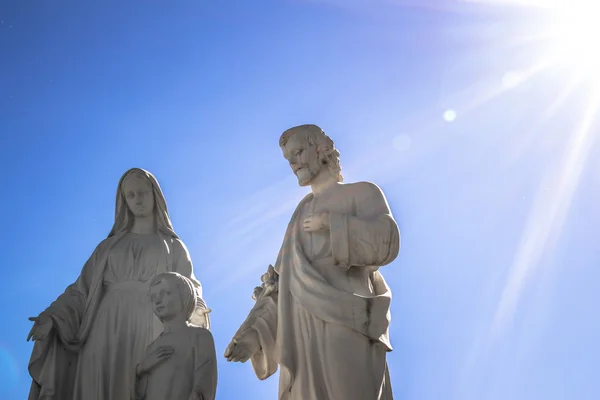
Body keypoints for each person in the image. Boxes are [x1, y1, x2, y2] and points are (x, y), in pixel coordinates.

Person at [224, 125, 400, 399]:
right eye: (288, 159)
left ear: (321, 148)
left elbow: (386, 242)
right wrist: (253, 335)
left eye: (298, 152)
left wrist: (333, 224)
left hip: (348, 322)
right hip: (302, 330)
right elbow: (283, 286)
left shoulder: (362, 193)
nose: (293, 163)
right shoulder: (300, 214)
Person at [27, 168, 211, 400]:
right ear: (123, 201)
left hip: (151, 324)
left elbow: (188, 289)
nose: (138, 200)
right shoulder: (108, 247)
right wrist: (53, 316)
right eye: (131, 195)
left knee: (149, 383)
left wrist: (196, 317)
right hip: (104, 328)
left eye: (142, 192)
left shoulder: (172, 246)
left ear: (155, 195)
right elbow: (80, 292)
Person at [133, 272, 217, 400]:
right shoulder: (152, 348)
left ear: (183, 295)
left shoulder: (200, 336)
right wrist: (141, 370)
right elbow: (138, 394)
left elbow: (205, 378)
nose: (158, 301)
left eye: (165, 293)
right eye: (153, 297)